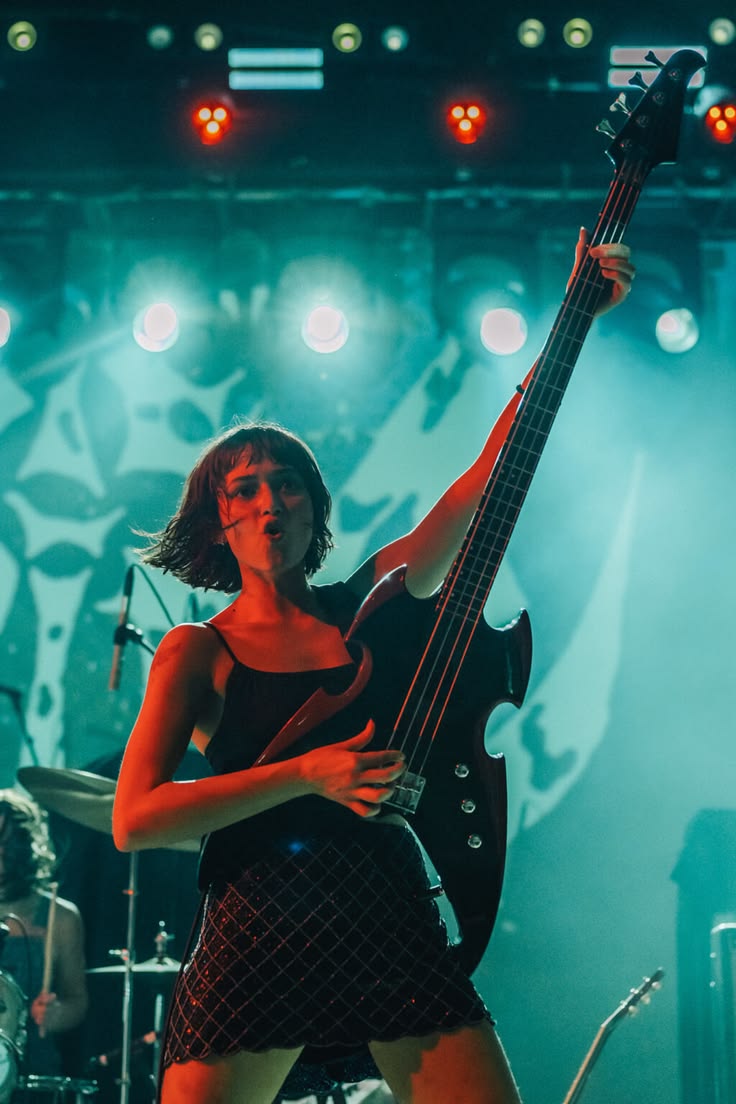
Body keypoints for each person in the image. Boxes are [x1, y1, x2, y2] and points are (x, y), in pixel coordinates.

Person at [112, 232, 635, 1104]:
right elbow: (136, 818)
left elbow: (483, 481)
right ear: (217, 523)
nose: (270, 500)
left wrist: (574, 321)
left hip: (385, 914)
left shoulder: (370, 608)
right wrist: (306, 774)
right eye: (244, 488)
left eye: (287, 482)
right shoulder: (196, 649)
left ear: (314, 506)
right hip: (256, 928)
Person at [0, 788, 89, 1078]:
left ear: (28, 845)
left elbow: (77, 1000)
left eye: (7, 843)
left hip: (32, 1072)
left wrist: (56, 1014)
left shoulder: (60, 916)